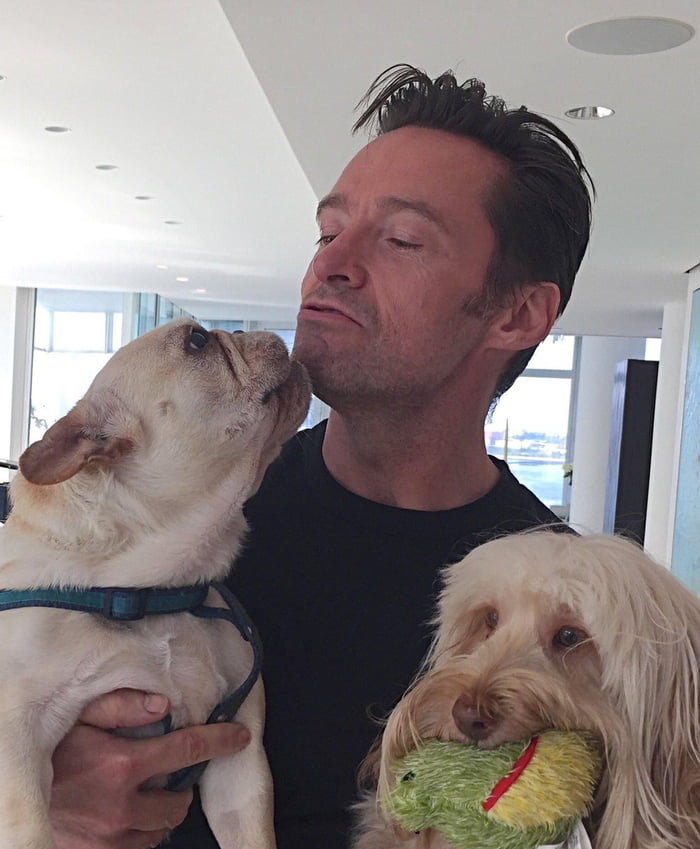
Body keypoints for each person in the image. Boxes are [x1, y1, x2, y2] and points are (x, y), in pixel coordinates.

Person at [49, 64, 593, 849]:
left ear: (518, 313)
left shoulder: (566, 613)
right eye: (329, 232)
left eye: (401, 239)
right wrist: (35, 785)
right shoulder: (157, 513)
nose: (330, 265)